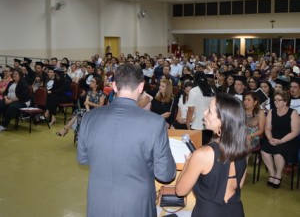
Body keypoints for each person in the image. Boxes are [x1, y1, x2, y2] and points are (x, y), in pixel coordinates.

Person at [77, 63, 176, 217]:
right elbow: (165, 174)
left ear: (114, 86)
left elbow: (83, 159)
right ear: (141, 86)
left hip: (99, 203)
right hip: (136, 204)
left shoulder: (89, 118)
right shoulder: (155, 123)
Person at [175, 93, 248, 217]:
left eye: (209, 111)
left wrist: (188, 162)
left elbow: (180, 191)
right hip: (235, 211)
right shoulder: (243, 151)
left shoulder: (203, 154)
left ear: (221, 121)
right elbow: (237, 186)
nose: (204, 113)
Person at [261, 90, 300, 188]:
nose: (276, 102)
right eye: (275, 100)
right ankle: (272, 173)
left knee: (279, 153)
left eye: (279, 100)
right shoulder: (271, 111)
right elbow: (268, 128)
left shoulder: (293, 113)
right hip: (273, 137)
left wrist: (281, 141)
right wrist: (270, 138)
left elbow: (295, 132)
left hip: (288, 139)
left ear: (285, 102)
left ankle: (278, 175)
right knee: (264, 150)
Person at [186, 71, 214, 144]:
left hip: (196, 125)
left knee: (196, 149)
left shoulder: (193, 91)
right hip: (209, 125)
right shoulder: (211, 90)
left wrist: (187, 122)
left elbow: (190, 110)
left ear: (194, 80)